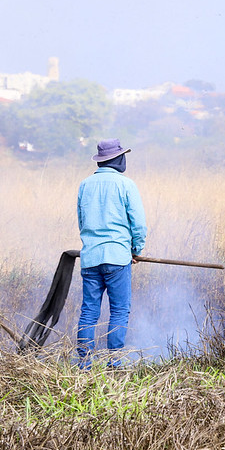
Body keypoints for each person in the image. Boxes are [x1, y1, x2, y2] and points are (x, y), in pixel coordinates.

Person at [77, 139, 147, 369]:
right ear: (117, 159)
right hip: (117, 258)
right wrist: (135, 250)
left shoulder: (85, 185)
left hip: (90, 258)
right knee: (119, 310)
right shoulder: (126, 185)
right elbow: (137, 224)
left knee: (89, 311)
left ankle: (85, 363)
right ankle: (114, 361)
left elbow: (82, 221)